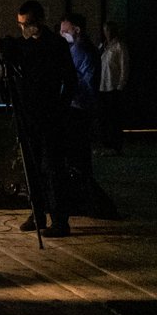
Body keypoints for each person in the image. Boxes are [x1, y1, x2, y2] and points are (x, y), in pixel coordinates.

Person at [0, 0, 75, 237]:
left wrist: (59, 109)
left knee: (53, 169)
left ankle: (59, 220)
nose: (23, 29)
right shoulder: (21, 46)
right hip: (27, 117)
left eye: (26, 24)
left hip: (50, 118)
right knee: (32, 167)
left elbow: (70, 82)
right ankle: (37, 213)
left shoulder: (56, 45)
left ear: (38, 22)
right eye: (20, 24)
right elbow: (5, 74)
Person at [60, 12, 121, 220]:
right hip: (83, 108)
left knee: (77, 159)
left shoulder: (79, 50)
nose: (62, 34)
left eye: (65, 31)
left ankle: (87, 201)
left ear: (76, 30)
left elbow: (74, 81)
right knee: (80, 158)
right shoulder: (85, 49)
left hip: (78, 109)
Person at [98, 20, 129, 153]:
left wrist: (121, 85)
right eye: (105, 30)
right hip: (102, 85)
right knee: (104, 117)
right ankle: (107, 144)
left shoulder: (119, 46)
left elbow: (124, 66)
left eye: (108, 30)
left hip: (114, 86)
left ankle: (116, 145)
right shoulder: (104, 45)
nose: (106, 33)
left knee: (114, 118)